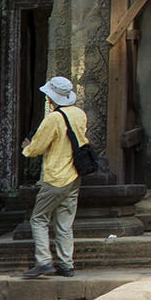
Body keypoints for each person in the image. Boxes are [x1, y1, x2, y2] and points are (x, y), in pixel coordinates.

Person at [20, 76, 87, 279]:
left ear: (52, 97)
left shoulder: (53, 119)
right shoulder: (79, 114)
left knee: (39, 219)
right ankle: (66, 264)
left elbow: (37, 147)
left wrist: (26, 149)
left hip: (56, 176)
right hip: (74, 174)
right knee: (65, 222)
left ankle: (44, 261)